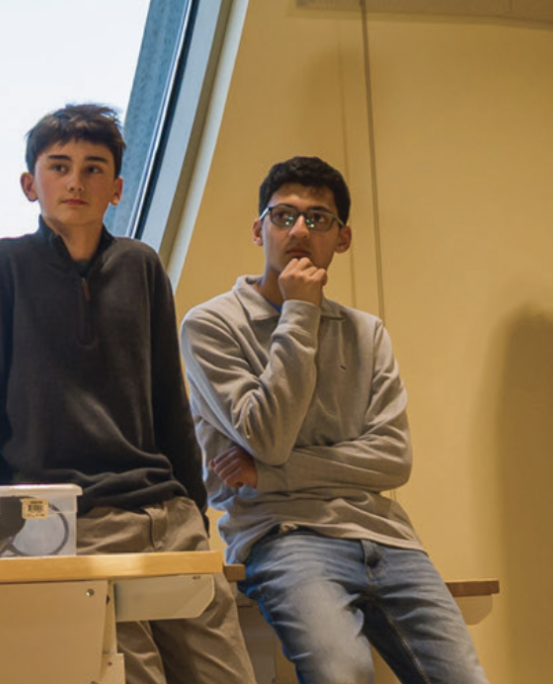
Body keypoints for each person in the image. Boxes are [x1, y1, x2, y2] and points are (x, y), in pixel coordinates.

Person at [0, 103, 254, 684]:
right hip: (72, 528)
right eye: (59, 166)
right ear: (30, 184)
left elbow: (169, 405)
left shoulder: (142, 267)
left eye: (93, 168)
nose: (75, 181)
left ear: (117, 189)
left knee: (226, 675)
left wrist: (194, 508)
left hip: (168, 520)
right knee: (136, 676)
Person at [179, 156, 489, 684]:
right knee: (342, 672)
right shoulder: (211, 325)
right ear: (258, 230)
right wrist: (300, 312)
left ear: (342, 238)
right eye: (283, 216)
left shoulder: (366, 332)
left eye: (318, 219)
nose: (299, 231)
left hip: (388, 537)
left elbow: (392, 460)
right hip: (283, 536)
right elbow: (267, 436)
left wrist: (269, 475)